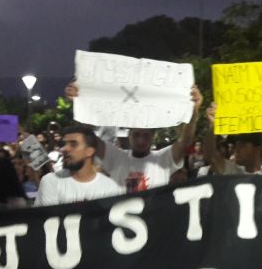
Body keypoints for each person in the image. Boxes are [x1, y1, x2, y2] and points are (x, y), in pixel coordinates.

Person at [66, 82, 203, 192]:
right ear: (129, 134)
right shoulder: (116, 157)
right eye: (136, 134)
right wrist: (78, 104)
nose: (140, 140)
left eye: (146, 135)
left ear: (153, 137)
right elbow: (88, 136)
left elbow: (185, 141)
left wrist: (194, 110)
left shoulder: (163, 159)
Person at [35, 125, 122, 206]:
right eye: (63, 144)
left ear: (89, 151)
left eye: (73, 144)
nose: (64, 149)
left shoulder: (111, 188)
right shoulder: (50, 181)